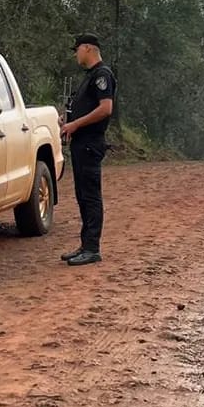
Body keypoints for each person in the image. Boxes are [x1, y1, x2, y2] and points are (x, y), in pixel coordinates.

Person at [59, 33, 116, 266]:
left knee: (91, 196)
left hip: (91, 143)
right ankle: (85, 245)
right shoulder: (90, 76)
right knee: (82, 195)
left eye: (77, 49)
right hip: (81, 142)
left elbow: (106, 108)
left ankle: (92, 248)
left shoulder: (102, 75)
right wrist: (68, 119)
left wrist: (76, 124)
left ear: (88, 48)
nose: (76, 54)